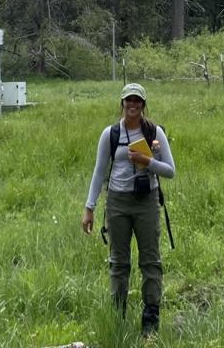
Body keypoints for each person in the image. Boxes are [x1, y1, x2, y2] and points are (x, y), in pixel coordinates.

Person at [81, 83, 175, 337]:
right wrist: (89, 207)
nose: (132, 105)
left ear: (144, 104)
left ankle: (150, 318)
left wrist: (148, 162)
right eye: (128, 100)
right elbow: (99, 172)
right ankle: (118, 314)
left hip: (146, 202)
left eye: (137, 101)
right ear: (122, 103)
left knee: (151, 260)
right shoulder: (110, 134)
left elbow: (171, 170)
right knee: (118, 262)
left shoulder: (154, 132)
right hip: (117, 203)